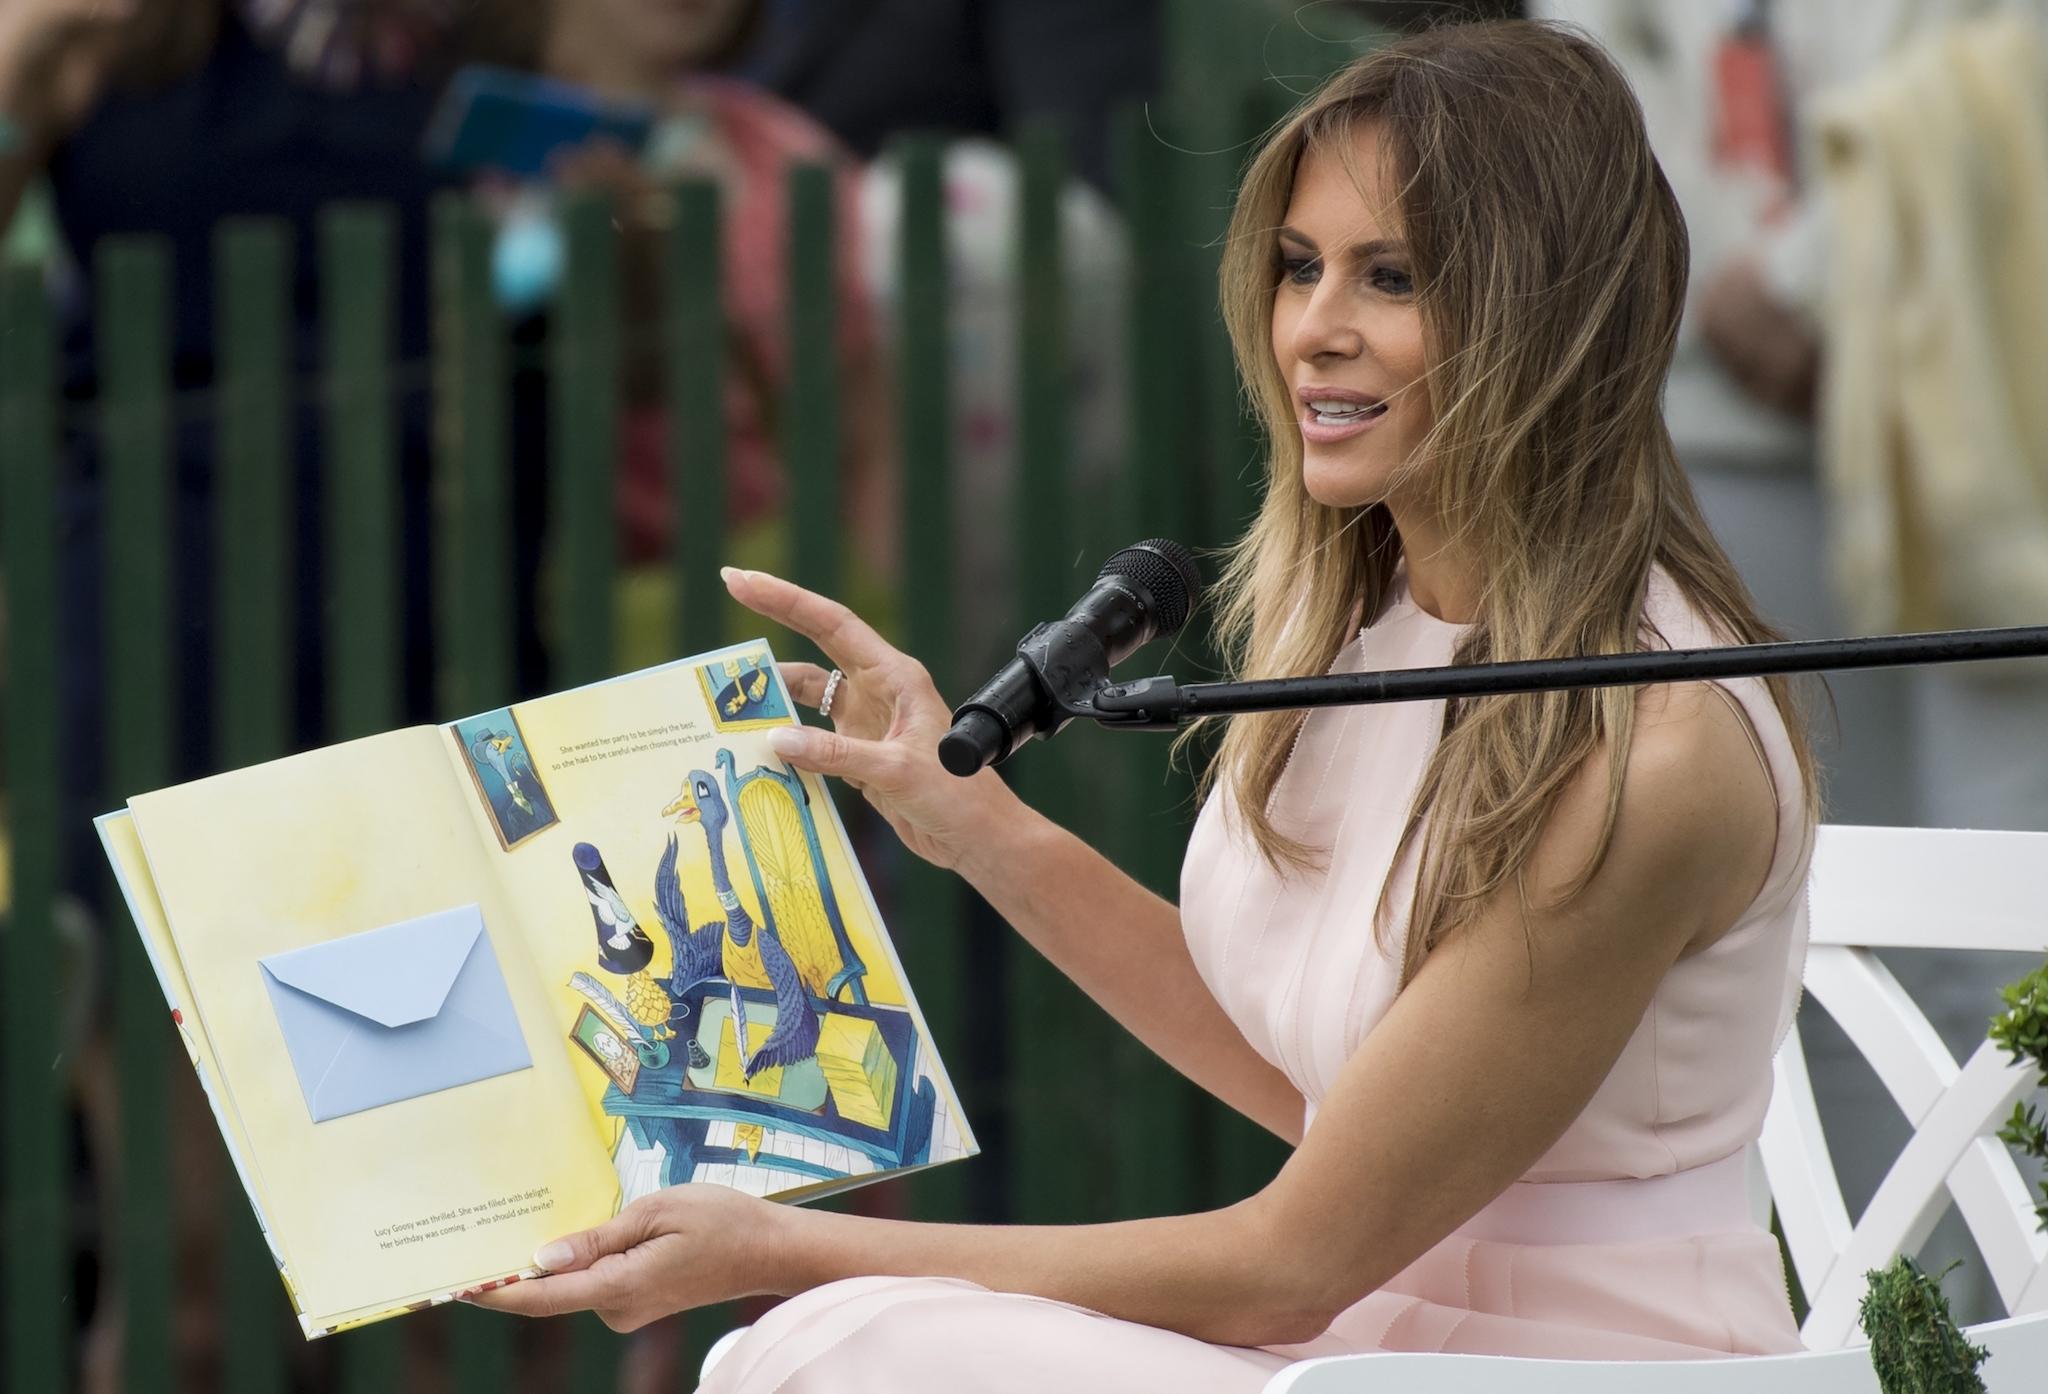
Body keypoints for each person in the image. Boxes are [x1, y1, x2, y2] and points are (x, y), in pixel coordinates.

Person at [468, 21, 1820, 1387]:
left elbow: (1291, 1260)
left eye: (1392, 278)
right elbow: (1314, 1080)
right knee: (836, 1347)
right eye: (1300, 269)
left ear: (1549, 309)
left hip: (1575, 1360)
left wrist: (786, 1246)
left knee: (845, 1344)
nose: (1315, 330)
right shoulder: (1373, 623)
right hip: (1366, 1341)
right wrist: (971, 824)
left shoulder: (1656, 738)